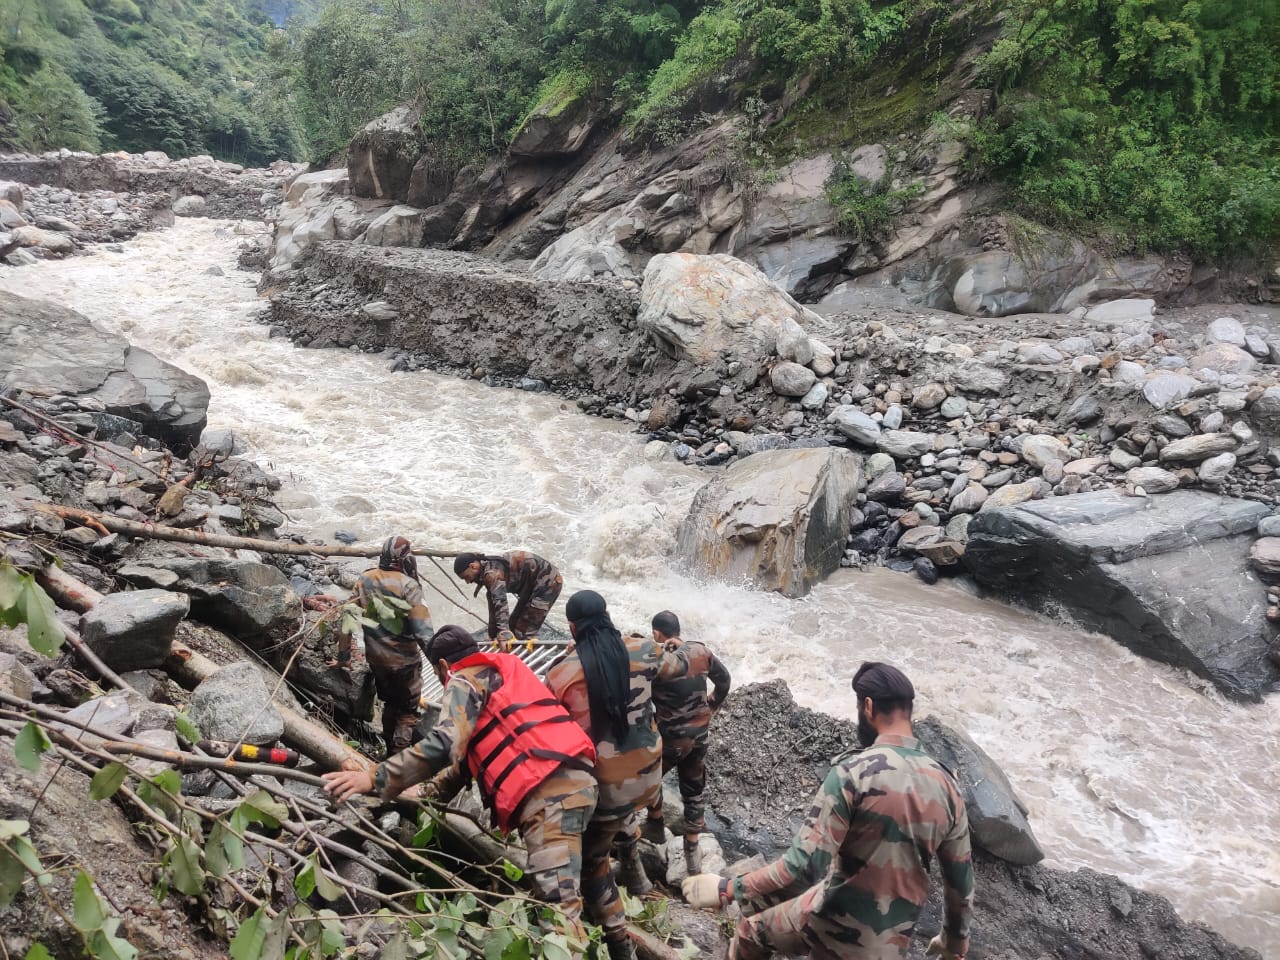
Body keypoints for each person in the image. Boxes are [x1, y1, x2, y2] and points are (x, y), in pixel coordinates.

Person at [322, 624, 599, 944]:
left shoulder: (461, 680)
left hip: (549, 797)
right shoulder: (507, 674)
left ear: (441, 667)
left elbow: (444, 745)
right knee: (593, 885)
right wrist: (425, 794)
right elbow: (465, 762)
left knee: (558, 913)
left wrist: (373, 778)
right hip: (584, 781)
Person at [681, 662, 975, 960]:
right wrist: (954, 945)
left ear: (869, 707)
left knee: (750, 931)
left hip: (836, 924)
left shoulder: (854, 773)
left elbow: (803, 865)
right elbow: (961, 886)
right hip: (892, 945)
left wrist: (728, 887)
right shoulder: (948, 787)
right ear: (908, 710)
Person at [543, 590, 686, 960]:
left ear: (572, 628)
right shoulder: (643, 650)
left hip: (605, 789)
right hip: (650, 779)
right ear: (607, 616)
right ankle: (636, 873)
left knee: (592, 861)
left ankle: (618, 942)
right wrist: (674, 645)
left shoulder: (560, 674)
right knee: (620, 807)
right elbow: (684, 665)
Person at [642, 609, 732, 875]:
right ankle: (693, 853)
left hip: (670, 740)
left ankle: (656, 824)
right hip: (699, 736)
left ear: (657, 633)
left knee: (649, 778)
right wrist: (711, 705)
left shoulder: (657, 663)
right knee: (693, 790)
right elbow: (724, 681)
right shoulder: (700, 653)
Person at [330, 536, 433, 754]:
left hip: (377, 660)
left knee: (390, 705)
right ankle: (398, 758)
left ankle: (387, 751)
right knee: (407, 711)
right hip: (405, 663)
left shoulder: (365, 579)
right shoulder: (409, 586)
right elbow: (424, 633)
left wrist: (343, 658)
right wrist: (440, 665)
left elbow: (347, 621)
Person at [452, 550, 563, 651]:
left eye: (466, 577)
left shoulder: (492, 573)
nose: (468, 581)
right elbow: (492, 602)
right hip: (529, 587)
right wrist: (493, 633)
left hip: (548, 584)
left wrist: (503, 633)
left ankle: (527, 664)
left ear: (473, 566)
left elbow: (500, 602)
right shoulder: (483, 568)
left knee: (524, 633)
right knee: (513, 626)